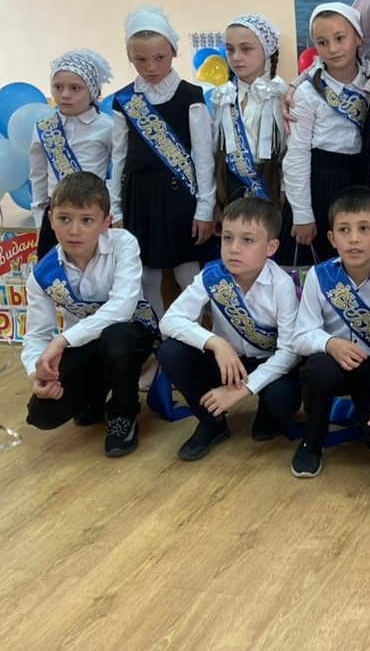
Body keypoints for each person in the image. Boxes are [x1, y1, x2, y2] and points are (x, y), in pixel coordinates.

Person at [20, 172, 156, 457]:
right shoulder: (42, 274)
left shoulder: (123, 244)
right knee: (43, 414)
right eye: (64, 218)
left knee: (117, 339)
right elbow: (36, 335)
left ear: (106, 222)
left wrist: (61, 341)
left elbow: (122, 308)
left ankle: (123, 413)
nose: (74, 230)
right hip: (84, 343)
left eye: (86, 220)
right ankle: (94, 395)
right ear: (51, 219)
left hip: (132, 334)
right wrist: (37, 372)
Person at [157, 197, 301, 461]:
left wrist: (243, 390)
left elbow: (289, 352)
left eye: (247, 240)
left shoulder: (281, 285)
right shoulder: (212, 276)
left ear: (271, 247)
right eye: (227, 238)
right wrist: (215, 343)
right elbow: (169, 321)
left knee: (282, 399)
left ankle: (268, 414)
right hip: (226, 361)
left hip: (268, 363)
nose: (234, 249)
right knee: (170, 352)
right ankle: (211, 422)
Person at [288, 186, 370, 478]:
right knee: (317, 368)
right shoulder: (319, 276)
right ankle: (312, 442)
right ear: (332, 238)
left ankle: (362, 416)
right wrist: (330, 343)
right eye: (344, 230)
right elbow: (301, 336)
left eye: (364, 229)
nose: (354, 238)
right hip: (334, 363)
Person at [110, 6, 215, 317]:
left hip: (179, 195)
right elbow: (118, 157)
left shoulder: (190, 95)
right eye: (141, 59)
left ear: (174, 52)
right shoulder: (124, 99)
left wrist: (205, 208)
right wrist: (116, 208)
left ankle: (194, 333)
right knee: (146, 275)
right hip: (139, 197)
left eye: (159, 57)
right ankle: (156, 335)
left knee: (188, 273)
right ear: (130, 58)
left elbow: (203, 158)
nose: (151, 66)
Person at [283, 3, 370, 262]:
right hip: (319, 184)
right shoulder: (307, 93)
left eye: (340, 38)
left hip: (361, 180)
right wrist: (302, 214)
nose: (332, 49)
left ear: (358, 37)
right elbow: (297, 154)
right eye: (322, 42)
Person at [29, 49, 114, 259]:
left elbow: (119, 172)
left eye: (75, 88)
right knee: (54, 274)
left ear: (92, 91)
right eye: (58, 87)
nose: (65, 95)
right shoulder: (44, 127)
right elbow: (38, 175)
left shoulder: (107, 126)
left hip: (92, 215)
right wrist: (40, 219)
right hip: (56, 217)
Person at [210, 13, 287, 209]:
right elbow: (214, 148)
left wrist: (286, 190)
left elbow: (291, 151)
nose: (236, 57)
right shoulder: (222, 96)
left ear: (266, 50)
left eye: (246, 49)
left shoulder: (281, 94)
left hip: (273, 186)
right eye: (230, 49)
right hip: (231, 188)